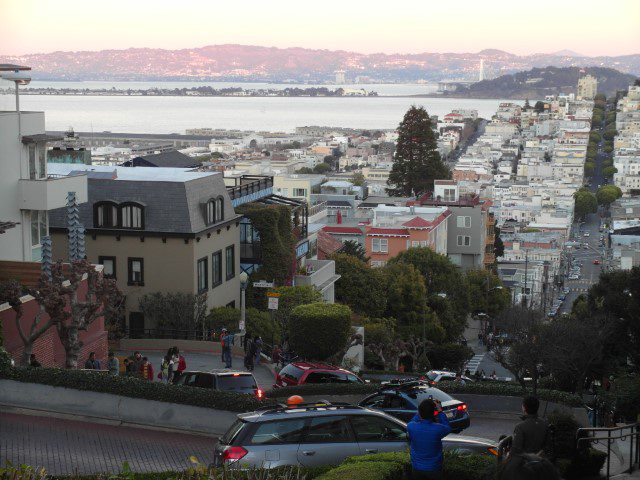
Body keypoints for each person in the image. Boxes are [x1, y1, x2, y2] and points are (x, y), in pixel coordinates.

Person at [408, 398, 452, 479]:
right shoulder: (438, 429)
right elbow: (448, 428)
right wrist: (439, 410)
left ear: (420, 412)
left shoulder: (411, 426)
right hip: (434, 468)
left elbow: (415, 419)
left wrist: (422, 409)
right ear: (433, 412)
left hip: (417, 468)